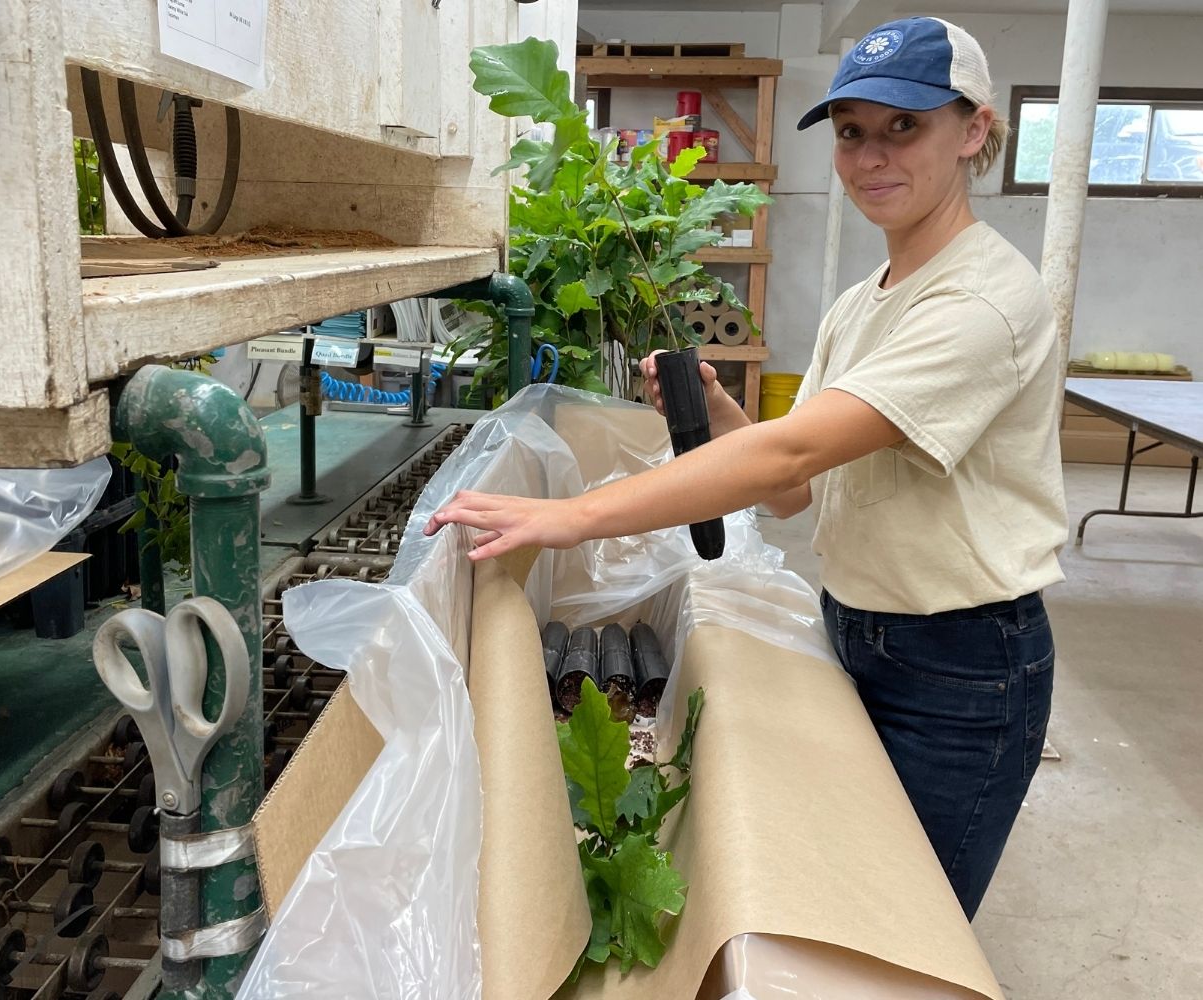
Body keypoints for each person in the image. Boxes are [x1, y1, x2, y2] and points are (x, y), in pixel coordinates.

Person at [425, 16, 1065, 920]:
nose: (872, 156)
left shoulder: (982, 301)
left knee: (908, 923)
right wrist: (720, 411)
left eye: (903, 126)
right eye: (852, 132)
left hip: (961, 663)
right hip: (864, 627)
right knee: (856, 893)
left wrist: (572, 517)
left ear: (975, 131)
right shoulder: (866, 300)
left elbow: (794, 450)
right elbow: (798, 489)